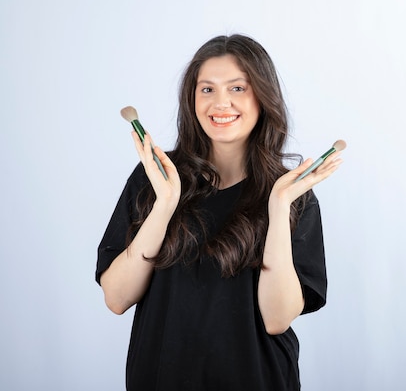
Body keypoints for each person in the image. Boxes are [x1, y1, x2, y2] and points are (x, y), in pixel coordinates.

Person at [96, 34, 343, 391]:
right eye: (207, 89)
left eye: (238, 88)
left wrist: (277, 208)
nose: (221, 103)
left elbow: (276, 319)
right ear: (192, 99)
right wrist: (165, 205)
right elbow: (117, 298)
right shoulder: (154, 178)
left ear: (263, 96)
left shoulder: (291, 195)